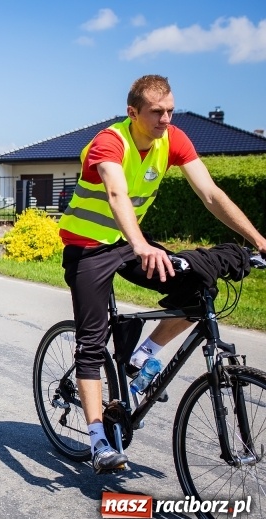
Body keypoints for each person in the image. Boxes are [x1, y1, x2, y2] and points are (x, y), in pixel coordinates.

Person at [58, 74, 266, 473]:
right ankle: (99, 441)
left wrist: (258, 239)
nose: (166, 119)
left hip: (131, 241)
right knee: (91, 341)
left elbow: (211, 194)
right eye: (157, 112)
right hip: (88, 248)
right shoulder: (109, 142)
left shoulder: (174, 139)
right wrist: (140, 245)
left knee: (198, 289)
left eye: (170, 110)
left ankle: (142, 356)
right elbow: (117, 195)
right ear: (133, 112)